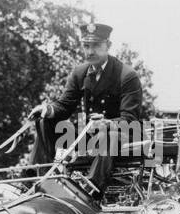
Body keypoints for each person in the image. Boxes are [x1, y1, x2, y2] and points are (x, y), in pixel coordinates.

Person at [28, 21, 143, 196]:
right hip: (90, 138)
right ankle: (37, 179)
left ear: (108, 46)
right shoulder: (79, 73)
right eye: (86, 46)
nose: (90, 51)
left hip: (121, 139)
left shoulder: (126, 75)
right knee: (46, 122)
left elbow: (130, 119)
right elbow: (64, 105)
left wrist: (106, 123)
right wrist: (47, 109)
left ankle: (90, 191)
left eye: (96, 45)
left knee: (107, 135)